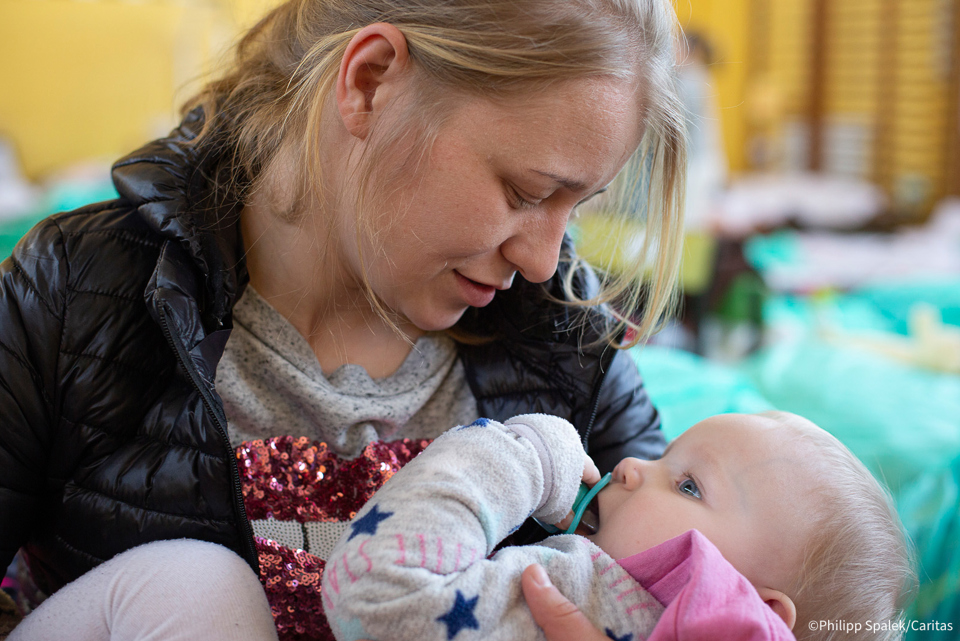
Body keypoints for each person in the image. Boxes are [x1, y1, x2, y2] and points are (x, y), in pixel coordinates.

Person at [0, 0, 688, 639]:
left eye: (579, 205)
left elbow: (710, 576)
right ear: (369, 82)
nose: (541, 260)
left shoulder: (562, 326)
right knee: (190, 586)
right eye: (525, 191)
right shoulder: (76, 293)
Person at [322, 412, 916, 641]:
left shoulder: (597, 600)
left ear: (746, 614)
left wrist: (520, 459)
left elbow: (376, 593)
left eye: (688, 484)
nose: (631, 465)